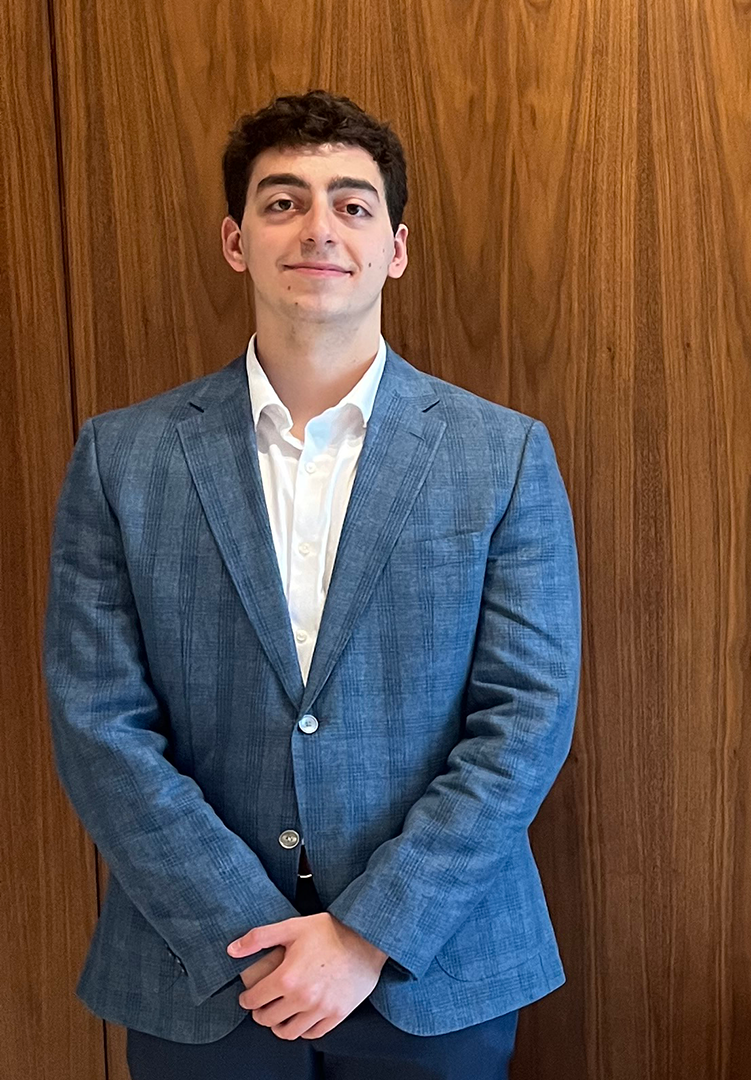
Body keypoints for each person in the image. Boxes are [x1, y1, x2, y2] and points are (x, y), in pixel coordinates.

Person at [41, 89, 581, 1079]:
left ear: (395, 248)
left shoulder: (501, 455)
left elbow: (525, 722)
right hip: (202, 972)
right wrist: (250, 932)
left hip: (436, 972)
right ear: (235, 241)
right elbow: (97, 723)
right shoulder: (123, 457)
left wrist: (368, 934)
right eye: (283, 201)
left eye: (353, 203)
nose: (320, 227)